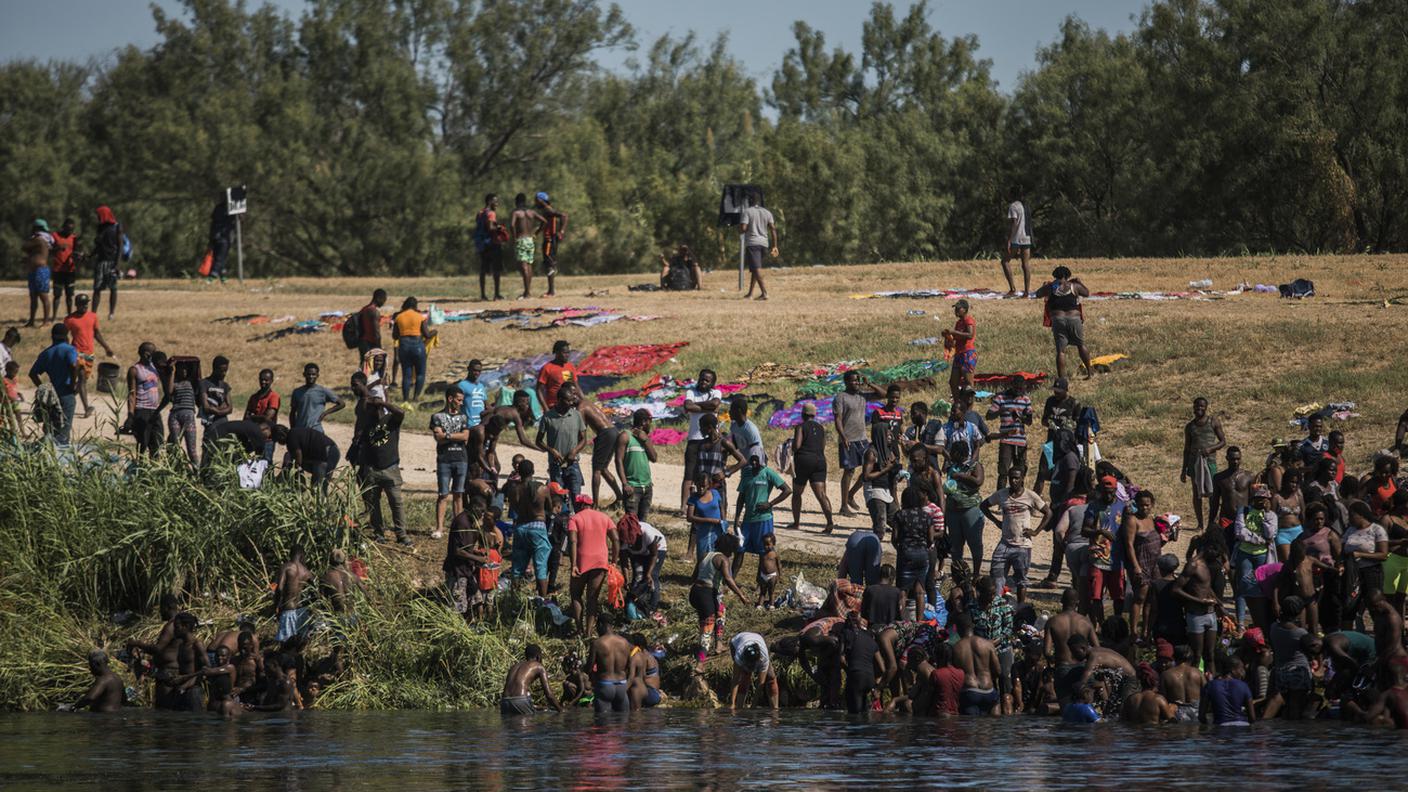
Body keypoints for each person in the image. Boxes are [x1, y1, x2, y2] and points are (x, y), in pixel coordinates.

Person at [981, 466, 1049, 603]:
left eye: (1017, 478)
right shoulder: (1001, 494)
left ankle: (1020, 608)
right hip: (1004, 544)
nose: (1013, 481)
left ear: (1022, 479)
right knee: (997, 576)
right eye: (1011, 478)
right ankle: (997, 605)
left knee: (1021, 581)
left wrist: (1035, 531)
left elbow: (1048, 513)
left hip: (1022, 546)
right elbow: (983, 506)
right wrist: (996, 522)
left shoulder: (1030, 496)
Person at [356, 394, 411, 546]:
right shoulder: (368, 425)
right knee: (374, 505)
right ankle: (379, 533)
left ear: (379, 408)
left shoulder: (390, 421)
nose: (368, 412)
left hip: (390, 468)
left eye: (371, 409)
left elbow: (401, 412)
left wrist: (383, 402)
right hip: (372, 469)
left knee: (396, 502)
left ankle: (401, 534)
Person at [690, 534, 749, 659]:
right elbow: (728, 579)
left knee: (721, 612)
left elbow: (694, 577)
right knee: (707, 630)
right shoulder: (723, 559)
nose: (732, 554)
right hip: (706, 595)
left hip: (695, 592)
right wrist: (741, 595)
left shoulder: (705, 555)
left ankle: (719, 645)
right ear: (728, 548)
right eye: (732, 550)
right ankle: (700, 663)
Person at [567, 494, 618, 637]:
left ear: (580, 506)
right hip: (600, 562)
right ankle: (589, 633)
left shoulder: (575, 519)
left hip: (582, 560)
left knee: (576, 595)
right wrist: (614, 561)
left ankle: (579, 629)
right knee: (592, 599)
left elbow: (573, 541)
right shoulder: (604, 518)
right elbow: (616, 539)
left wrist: (574, 564)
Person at [733, 454, 791, 577]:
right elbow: (741, 497)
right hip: (747, 520)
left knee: (763, 553)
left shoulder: (768, 473)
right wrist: (737, 517)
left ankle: (761, 583)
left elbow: (787, 490)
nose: (754, 463)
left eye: (757, 461)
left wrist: (770, 504)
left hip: (763, 520)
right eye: (752, 460)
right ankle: (730, 580)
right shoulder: (746, 474)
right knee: (739, 549)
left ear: (763, 462)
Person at [1173, 541, 1225, 672]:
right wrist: (1199, 601)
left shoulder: (1207, 564)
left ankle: (1210, 685)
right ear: (1208, 548)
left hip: (1210, 613)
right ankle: (1196, 685)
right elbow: (1176, 589)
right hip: (1196, 615)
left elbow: (1206, 587)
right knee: (1197, 655)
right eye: (1216, 554)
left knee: (1210, 655)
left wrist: (1219, 604)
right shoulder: (1193, 565)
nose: (1217, 558)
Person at [537, 386, 589, 516]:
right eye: (568, 400)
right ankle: (561, 526)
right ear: (559, 400)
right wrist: (551, 450)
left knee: (576, 497)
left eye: (572, 400)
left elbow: (584, 439)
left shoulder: (576, 415)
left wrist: (574, 451)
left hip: (573, 464)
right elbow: (538, 441)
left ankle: (577, 523)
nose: (572, 403)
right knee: (558, 499)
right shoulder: (548, 417)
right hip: (556, 465)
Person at [1033, 266, 1091, 380]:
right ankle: (1089, 372)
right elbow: (1086, 293)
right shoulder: (1074, 286)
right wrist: (1080, 282)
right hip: (1074, 318)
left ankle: (1062, 378)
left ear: (1054, 275)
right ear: (1067, 275)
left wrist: (1044, 286)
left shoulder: (1050, 287)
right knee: (1080, 345)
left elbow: (1038, 294)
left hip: (1058, 319)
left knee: (1061, 351)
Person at [507, 459, 556, 595]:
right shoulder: (541, 488)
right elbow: (550, 508)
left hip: (520, 526)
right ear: (533, 471)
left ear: (519, 472)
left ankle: (513, 598)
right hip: (538, 526)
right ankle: (543, 601)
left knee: (517, 568)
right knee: (540, 567)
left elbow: (515, 508)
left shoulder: (514, 489)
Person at [1082, 474, 1127, 622]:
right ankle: (1100, 624)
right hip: (1098, 557)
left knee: (1118, 594)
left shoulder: (1123, 507)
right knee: (1096, 595)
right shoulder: (1093, 507)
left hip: (1117, 558)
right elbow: (1084, 530)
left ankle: (1118, 622)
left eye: (1111, 491)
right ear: (1100, 490)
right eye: (1105, 491)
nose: (1108, 495)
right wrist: (1100, 531)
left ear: (1115, 490)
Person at [1044, 588, 1100, 704]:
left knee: (1066, 711)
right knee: (1087, 705)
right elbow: (1097, 649)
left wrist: (1051, 660)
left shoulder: (1053, 622)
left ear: (1062, 601)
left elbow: (1047, 651)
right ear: (1078, 602)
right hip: (1084, 669)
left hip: (1063, 669)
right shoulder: (1086, 622)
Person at [28, 324, 80, 445]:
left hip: (51, 397)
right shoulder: (69, 350)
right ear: (66, 336)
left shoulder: (46, 353)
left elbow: (32, 374)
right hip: (66, 394)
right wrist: (73, 384)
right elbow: (73, 366)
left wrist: (43, 388)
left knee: (50, 430)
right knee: (63, 434)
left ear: (52, 336)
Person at [62, 294, 113, 418]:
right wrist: (66, 350)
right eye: (82, 304)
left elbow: (97, 334)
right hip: (76, 353)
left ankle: (68, 399)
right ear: (77, 305)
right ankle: (86, 408)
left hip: (89, 354)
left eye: (86, 304)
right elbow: (64, 336)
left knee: (81, 381)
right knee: (81, 379)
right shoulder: (69, 319)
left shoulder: (93, 317)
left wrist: (107, 347)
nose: (85, 306)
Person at [429, 389, 471, 538]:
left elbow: (465, 436)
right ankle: (439, 528)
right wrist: (455, 436)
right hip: (444, 460)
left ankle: (457, 526)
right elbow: (437, 437)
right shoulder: (437, 416)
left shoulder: (463, 417)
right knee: (443, 494)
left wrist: (446, 435)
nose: (461, 403)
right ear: (450, 399)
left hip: (461, 458)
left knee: (458, 494)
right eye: (459, 400)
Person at [573, 384, 624, 509]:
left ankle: (595, 504)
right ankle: (620, 496)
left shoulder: (580, 408)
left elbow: (581, 432)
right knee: (603, 469)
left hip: (605, 433)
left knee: (596, 470)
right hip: (613, 431)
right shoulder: (587, 402)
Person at [1122, 490, 1163, 639]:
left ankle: (1146, 630)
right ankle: (1133, 632)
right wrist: (1136, 566)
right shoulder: (1132, 520)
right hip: (1141, 563)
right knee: (1140, 597)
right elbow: (1129, 545)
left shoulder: (1152, 520)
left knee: (1152, 599)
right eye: (1141, 505)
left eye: (1147, 505)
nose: (1144, 508)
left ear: (1152, 505)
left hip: (1155, 564)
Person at [889, 487, 934, 619]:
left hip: (906, 553)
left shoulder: (900, 515)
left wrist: (900, 548)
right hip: (922, 555)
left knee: (902, 590)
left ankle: (902, 621)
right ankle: (919, 623)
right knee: (920, 591)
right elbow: (931, 539)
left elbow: (895, 538)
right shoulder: (927, 516)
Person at [1069, 634, 1139, 719]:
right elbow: (1101, 680)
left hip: (1129, 678)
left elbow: (1083, 681)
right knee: (1111, 711)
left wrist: (1075, 699)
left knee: (1123, 709)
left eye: (1075, 652)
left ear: (1083, 648)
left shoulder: (1094, 657)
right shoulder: (1095, 651)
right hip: (1122, 679)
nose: (1073, 656)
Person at [789, 401, 834, 533]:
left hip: (803, 461)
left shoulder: (800, 427)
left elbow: (797, 446)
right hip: (820, 461)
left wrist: (791, 446)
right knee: (822, 494)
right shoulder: (821, 428)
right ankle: (830, 523)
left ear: (803, 414)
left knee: (797, 494)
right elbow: (822, 446)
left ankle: (796, 523)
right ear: (814, 415)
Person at [681, 369, 723, 510]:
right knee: (689, 474)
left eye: (707, 380)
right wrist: (709, 407)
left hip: (712, 440)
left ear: (712, 383)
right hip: (694, 438)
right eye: (702, 379)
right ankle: (683, 507)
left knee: (710, 474)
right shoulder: (691, 392)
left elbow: (715, 404)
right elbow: (687, 406)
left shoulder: (716, 392)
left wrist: (697, 406)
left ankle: (708, 505)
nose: (703, 382)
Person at [944, 441, 987, 578]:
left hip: (970, 510)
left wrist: (961, 476)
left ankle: (976, 574)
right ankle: (958, 574)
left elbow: (978, 481)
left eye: (952, 452)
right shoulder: (953, 466)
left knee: (974, 544)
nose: (950, 454)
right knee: (956, 547)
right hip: (953, 511)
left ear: (958, 453)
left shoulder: (975, 466)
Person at [833, 371, 869, 516]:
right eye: (853, 380)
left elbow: (883, 393)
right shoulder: (841, 397)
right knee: (849, 471)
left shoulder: (862, 395)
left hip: (862, 439)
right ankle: (843, 506)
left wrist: (869, 383)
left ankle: (851, 494)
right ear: (846, 382)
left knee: (868, 469)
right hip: (848, 439)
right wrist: (843, 437)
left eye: (857, 380)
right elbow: (838, 419)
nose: (856, 383)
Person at [951, 612, 1002, 715]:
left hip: (969, 691)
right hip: (988, 690)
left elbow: (954, 676)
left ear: (957, 628)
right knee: (990, 727)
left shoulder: (956, 648)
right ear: (973, 625)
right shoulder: (987, 644)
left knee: (972, 728)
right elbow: (998, 671)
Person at [987, 376, 1033, 483]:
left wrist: (1020, 417)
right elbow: (989, 416)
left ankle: (1018, 495)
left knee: (1020, 471)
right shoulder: (1001, 398)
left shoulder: (1025, 400)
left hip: (1020, 440)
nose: (1018, 391)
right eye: (1016, 389)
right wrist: (1001, 410)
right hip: (1006, 439)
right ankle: (1000, 496)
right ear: (1012, 386)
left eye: (1021, 389)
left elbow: (1029, 421)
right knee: (1003, 471)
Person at [391, 296, 435, 403]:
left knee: (406, 374)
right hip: (418, 346)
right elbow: (427, 334)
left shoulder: (399, 317)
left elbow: (395, 336)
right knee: (420, 373)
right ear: (415, 305)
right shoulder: (419, 317)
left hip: (404, 346)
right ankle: (415, 398)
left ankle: (405, 399)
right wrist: (435, 332)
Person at [124, 342, 165, 455]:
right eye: (153, 353)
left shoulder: (154, 368)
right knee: (142, 445)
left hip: (155, 411)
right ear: (146, 354)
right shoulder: (135, 370)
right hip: (142, 410)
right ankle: (140, 468)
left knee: (157, 444)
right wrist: (130, 416)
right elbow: (132, 394)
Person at [615, 408, 656, 520]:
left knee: (643, 524)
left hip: (647, 487)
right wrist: (625, 484)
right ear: (643, 422)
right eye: (649, 421)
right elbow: (618, 460)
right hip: (632, 487)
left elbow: (654, 458)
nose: (650, 425)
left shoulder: (645, 439)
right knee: (632, 523)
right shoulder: (625, 436)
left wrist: (645, 440)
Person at [587, 614, 632, 713]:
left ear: (601, 625)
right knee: (623, 723)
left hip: (605, 685)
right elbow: (629, 665)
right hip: (622, 685)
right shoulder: (625, 642)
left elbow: (589, 667)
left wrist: (593, 680)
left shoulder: (597, 643)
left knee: (603, 723)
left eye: (597, 627)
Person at [500, 644, 562, 716]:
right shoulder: (539, 666)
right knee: (526, 724)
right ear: (538, 656)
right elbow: (549, 695)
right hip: (521, 700)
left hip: (505, 701)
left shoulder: (514, 667)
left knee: (510, 726)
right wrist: (561, 710)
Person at [840, 612, 882, 714]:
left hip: (856, 676)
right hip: (870, 679)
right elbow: (882, 668)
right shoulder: (871, 639)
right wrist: (876, 686)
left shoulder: (846, 633)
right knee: (864, 712)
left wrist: (850, 671)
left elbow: (841, 659)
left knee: (854, 715)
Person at [738, 195, 778, 300]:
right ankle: (750, 294)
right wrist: (775, 246)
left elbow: (743, 228)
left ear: (749, 202)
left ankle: (764, 293)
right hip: (764, 244)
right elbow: (773, 229)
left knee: (756, 269)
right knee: (755, 269)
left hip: (752, 243)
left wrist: (740, 228)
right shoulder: (767, 212)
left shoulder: (747, 212)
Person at [163, 359, 201, 464]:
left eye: (185, 369)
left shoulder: (192, 382)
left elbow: (196, 363)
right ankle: (177, 470)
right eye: (181, 369)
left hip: (188, 416)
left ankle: (197, 473)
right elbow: (169, 392)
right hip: (175, 415)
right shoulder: (175, 382)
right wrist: (171, 371)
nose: (183, 371)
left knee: (192, 450)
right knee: (175, 446)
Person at [729, 631, 779, 709]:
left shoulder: (764, 657)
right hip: (736, 642)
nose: (751, 667)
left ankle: (775, 708)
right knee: (745, 675)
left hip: (758, 640)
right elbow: (735, 679)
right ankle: (739, 707)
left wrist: (754, 705)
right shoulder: (739, 655)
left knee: (771, 677)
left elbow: (760, 683)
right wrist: (732, 704)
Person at [626, 520, 667, 613]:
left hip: (657, 549)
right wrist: (626, 578)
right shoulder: (623, 537)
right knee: (637, 577)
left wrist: (648, 573)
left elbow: (654, 555)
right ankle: (633, 607)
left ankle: (652, 608)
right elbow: (624, 561)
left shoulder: (647, 533)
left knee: (652, 576)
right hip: (638, 553)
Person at [273, 546, 313, 644]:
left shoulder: (286, 567)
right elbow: (316, 593)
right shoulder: (307, 572)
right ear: (302, 556)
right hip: (301, 611)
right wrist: (308, 604)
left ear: (291, 554)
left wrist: (276, 606)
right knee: (298, 644)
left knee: (285, 643)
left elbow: (279, 588)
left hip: (288, 609)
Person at [289, 363, 343, 434]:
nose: (311, 376)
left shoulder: (322, 391)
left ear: (317, 375)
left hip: (316, 431)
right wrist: (293, 430)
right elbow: (292, 413)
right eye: (308, 374)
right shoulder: (297, 392)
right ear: (304, 374)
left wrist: (325, 413)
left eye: (313, 374)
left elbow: (341, 404)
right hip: (300, 430)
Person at [90, 205, 124, 319]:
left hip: (112, 261)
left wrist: (118, 265)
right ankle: (93, 313)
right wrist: (89, 255)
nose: (97, 217)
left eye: (99, 215)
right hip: (101, 261)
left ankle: (111, 313)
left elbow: (120, 246)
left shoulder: (117, 227)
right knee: (97, 288)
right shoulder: (100, 228)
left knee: (113, 288)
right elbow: (98, 247)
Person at [1200, 656, 1255, 725]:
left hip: (1220, 727)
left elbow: (1201, 716)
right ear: (1232, 670)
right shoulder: (1243, 685)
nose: (1243, 672)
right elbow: (1252, 718)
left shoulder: (1210, 685)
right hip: (1242, 726)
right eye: (1241, 669)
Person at [509, 193, 545, 298]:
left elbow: (512, 225)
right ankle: (527, 291)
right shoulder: (532, 212)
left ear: (516, 202)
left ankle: (527, 293)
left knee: (523, 265)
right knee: (529, 265)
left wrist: (515, 237)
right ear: (525, 201)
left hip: (521, 239)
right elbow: (544, 221)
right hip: (530, 240)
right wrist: (536, 233)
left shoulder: (516, 213)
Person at [686, 470, 726, 561]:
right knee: (703, 557)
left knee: (717, 556)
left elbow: (721, 507)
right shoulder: (693, 498)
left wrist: (724, 521)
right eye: (699, 486)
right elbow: (690, 517)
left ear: (709, 485)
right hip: (703, 532)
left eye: (703, 486)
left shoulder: (715, 493)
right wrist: (710, 520)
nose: (701, 489)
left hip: (717, 530)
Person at [1000, 186, 1032, 296]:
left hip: (1017, 238)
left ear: (1012, 195)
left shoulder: (1013, 206)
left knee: (1005, 261)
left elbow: (1014, 224)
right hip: (1027, 238)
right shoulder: (1025, 206)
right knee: (1025, 265)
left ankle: (1013, 289)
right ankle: (1027, 292)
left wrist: (1009, 239)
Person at [1160, 644, 1204, 722]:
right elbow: (1206, 694)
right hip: (1197, 714)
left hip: (1177, 714)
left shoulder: (1166, 675)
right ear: (1190, 658)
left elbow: (1162, 699)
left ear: (1174, 657)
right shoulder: (1198, 673)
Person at [474, 194, 506, 301]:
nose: (497, 204)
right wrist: (499, 228)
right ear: (489, 201)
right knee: (496, 269)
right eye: (495, 201)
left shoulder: (480, 213)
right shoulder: (491, 213)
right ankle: (497, 294)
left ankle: (483, 295)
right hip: (492, 243)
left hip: (482, 243)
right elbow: (490, 227)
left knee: (483, 269)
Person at [535, 192, 568, 296]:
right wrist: (536, 233)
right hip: (548, 239)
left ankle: (551, 291)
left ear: (541, 200)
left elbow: (564, 215)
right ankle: (551, 290)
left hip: (550, 240)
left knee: (549, 263)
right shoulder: (546, 210)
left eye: (536, 200)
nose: (535, 202)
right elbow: (543, 224)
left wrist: (561, 231)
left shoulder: (548, 210)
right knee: (548, 263)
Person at [942, 299, 977, 397]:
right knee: (953, 382)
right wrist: (948, 336)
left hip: (967, 354)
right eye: (955, 308)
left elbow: (970, 335)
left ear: (965, 310)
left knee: (968, 385)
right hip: (959, 354)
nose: (956, 310)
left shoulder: (968, 320)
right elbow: (956, 338)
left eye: (958, 308)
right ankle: (958, 405)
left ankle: (969, 410)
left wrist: (954, 332)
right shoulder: (958, 323)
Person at [535, 340, 579, 416]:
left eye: (568, 352)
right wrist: (545, 408)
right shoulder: (547, 368)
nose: (567, 355)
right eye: (565, 353)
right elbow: (539, 390)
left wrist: (583, 400)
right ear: (557, 353)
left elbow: (574, 386)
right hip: (554, 406)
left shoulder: (569, 367)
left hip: (570, 405)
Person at [24, 220, 53, 328]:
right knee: (33, 297)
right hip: (33, 271)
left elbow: (24, 246)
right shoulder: (37, 241)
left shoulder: (39, 240)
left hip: (41, 270)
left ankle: (46, 321)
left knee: (43, 295)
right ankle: (31, 320)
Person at [198, 355, 233, 439]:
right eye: (221, 371)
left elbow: (230, 408)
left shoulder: (225, 386)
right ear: (214, 369)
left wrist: (216, 410)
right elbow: (206, 407)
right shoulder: (204, 383)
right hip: (211, 424)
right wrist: (221, 409)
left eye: (225, 371)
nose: (224, 374)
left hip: (224, 423)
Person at [50, 218, 79, 315]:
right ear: (63, 227)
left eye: (71, 230)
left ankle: (69, 314)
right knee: (57, 295)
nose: (70, 232)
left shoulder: (74, 238)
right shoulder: (54, 236)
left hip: (70, 270)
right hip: (58, 269)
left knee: (69, 295)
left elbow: (76, 251)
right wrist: (57, 248)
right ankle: (54, 316)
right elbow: (49, 250)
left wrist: (77, 255)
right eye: (68, 229)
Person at [457, 359, 490, 429]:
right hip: (469, 425)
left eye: (479, 371)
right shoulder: (462, 385)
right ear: (468, 369)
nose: (477, 373)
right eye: (475, 370)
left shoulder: (481, 386)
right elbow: (457, 405)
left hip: (481, 424)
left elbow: (486, 405)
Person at [355, 289, 387, 361]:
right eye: (383, 300)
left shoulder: (364, 309)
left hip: (362, 341)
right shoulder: (374, 312)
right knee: (370, 367)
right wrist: (379, 348)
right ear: (378, 298)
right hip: (369, 343)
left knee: (364, 365)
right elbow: (376, 332)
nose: (383, 303)